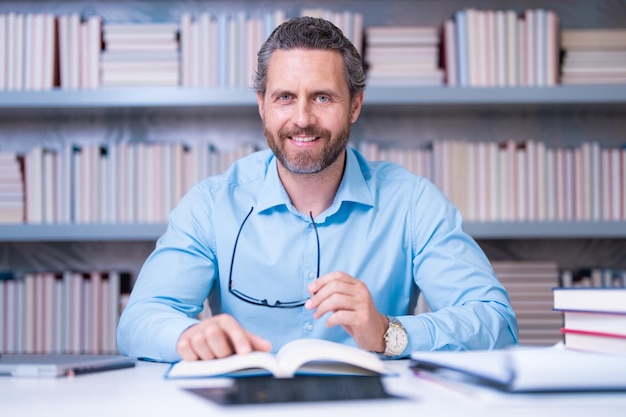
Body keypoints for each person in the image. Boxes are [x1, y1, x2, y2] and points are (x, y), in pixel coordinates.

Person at [117, 16, 518, 363]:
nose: (302, 119)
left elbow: (496, 321)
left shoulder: (412, 203)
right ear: (262, 104)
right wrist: (187, 336)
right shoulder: (210, 204)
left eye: (322, 97)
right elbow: (138, 321)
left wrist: (387, 332)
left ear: (355, 104)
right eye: (285, 98)